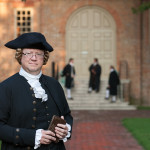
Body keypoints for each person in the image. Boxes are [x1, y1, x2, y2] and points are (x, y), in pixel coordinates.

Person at [0, 32, 73, 150]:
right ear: (20, 56)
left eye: (38, 54)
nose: (34, 58)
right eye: (28, 53)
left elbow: (66, 115)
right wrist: (32, 137)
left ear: (44, 58)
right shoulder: (5, 88)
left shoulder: (54, 84)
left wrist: (66, 129)